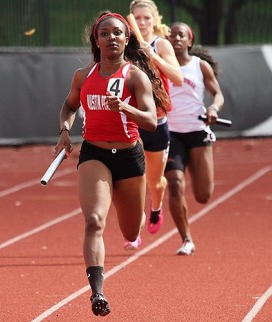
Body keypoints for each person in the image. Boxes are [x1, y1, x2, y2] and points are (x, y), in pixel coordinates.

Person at [53, 11, 169, 316]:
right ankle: (97, 293)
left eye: (117, 33)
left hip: (129, 156)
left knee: (131, 232)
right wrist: (65, 131)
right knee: (94, 220)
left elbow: (152, 122)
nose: (111, 38)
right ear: (96, 39)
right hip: (95, 154)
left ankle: (137, 213)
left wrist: (125, 107)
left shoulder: (134, 76)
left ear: (126, 38)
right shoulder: (83, 76)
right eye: (105, 34)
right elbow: (69, 105)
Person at [166, 22, 225, 255]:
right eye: (172, 35)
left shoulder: (200, 67)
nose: (176, 38)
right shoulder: (160, 67)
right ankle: (186, 239)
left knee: (203, 195)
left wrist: (214, 109)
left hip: (197, 131)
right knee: (175, 184)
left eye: (181, 35)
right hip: (170, 134)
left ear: (189, 40)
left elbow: (217, 94)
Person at [128, 0, 183, 237]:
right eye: (137, 18)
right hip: (132, 118)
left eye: (146, 18)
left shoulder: (161, 44)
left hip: (157, 120)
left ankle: (156, 206)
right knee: (134, 176)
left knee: (155, 182)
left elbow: (177, 77)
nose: (141, 22)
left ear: (154, 20)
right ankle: (134, 223)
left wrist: (153, 57)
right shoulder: (125, 43)